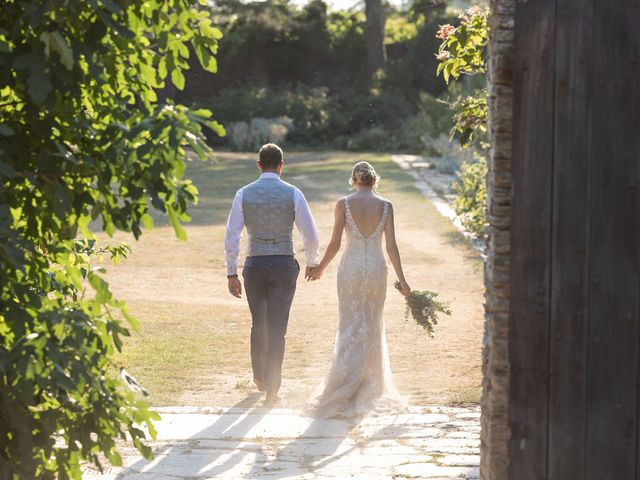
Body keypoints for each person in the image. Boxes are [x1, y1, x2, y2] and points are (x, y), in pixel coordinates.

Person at [305, 161, 410, 418]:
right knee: (372, 325)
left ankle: (345, 385)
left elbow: (335, 243)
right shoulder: (386, 206)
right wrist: (403, 280)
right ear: (375, 181)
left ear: (354, 180)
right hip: (376, 268)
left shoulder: (343, 204)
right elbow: (392, 247)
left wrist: (320, 268)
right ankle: (368, 386)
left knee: (350, 324)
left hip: (351, 269)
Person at [224, 143, 320, 406]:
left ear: (258, 165)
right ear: (281, 165)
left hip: (255, 263)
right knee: (277, 326)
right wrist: (312, 262)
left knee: (259, 321)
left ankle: (260, 377)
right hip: (282, 263)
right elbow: (309, 233)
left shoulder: (243, 193)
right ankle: (273, 389)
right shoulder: (293, 193)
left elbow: (232, 235)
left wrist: (231, 272)